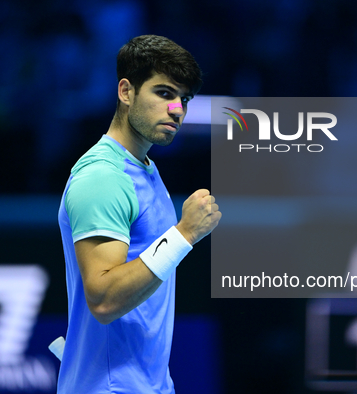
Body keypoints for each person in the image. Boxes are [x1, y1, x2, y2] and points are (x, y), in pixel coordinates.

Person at [56, 35, 221, 393]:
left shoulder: (144, 168)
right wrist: (184, 234)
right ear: (126, 91)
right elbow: (102, 298)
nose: (177, 109)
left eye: (184, 99)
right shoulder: (103, 177)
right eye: (164, 93)